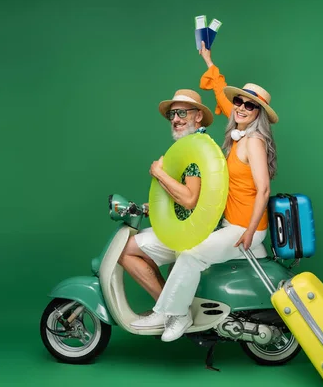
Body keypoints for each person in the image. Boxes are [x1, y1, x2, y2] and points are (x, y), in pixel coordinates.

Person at [131, 41, 279, 343]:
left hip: (244, 227)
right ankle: (174, 310)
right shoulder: (238, 135)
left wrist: (250, 233)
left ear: (259, 113)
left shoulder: (254, 142)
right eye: (239, 101)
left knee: (190, 255)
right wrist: (209, 61)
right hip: (231, 223)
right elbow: (223, 101)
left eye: (250, 105)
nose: (240, 107)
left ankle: (176, 314)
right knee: (186, 252)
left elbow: (264, 190)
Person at [118, 89, 215, 305]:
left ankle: (168, 309)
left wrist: (158, 173)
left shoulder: (195, 149)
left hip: (192, 232)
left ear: (198, 116)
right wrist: (151, 207)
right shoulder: (191, 145)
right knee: (139, 245)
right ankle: (170, 305)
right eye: (172, 115)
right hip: (188, 224)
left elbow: (190, 199)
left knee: (123, 250)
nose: (176, 120)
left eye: (182, 113)